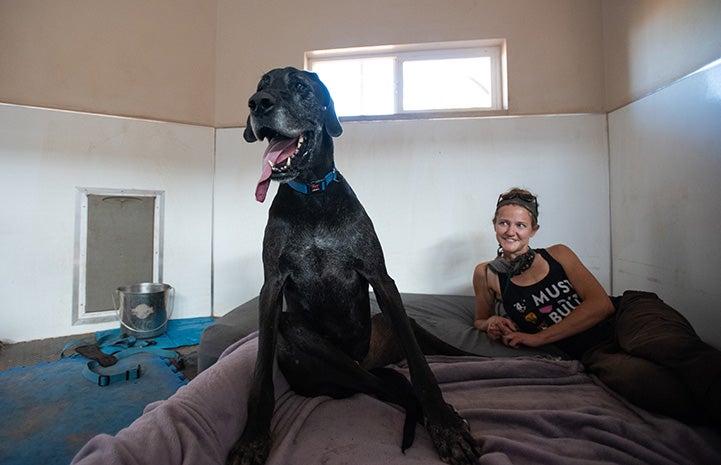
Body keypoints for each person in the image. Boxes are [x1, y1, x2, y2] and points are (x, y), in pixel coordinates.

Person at [472, 187, 721, 426]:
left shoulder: (558, 254)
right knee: (643, 382)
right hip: (592, 350)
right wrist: (492, 321)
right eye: (504, 223)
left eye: (521, 225)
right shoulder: (486, 274)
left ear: (534, 230)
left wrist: (539, 338)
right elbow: (480, 320)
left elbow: (601, 305)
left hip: (626, 315)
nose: (511, 232)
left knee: (664, 345)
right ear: (494, 224)